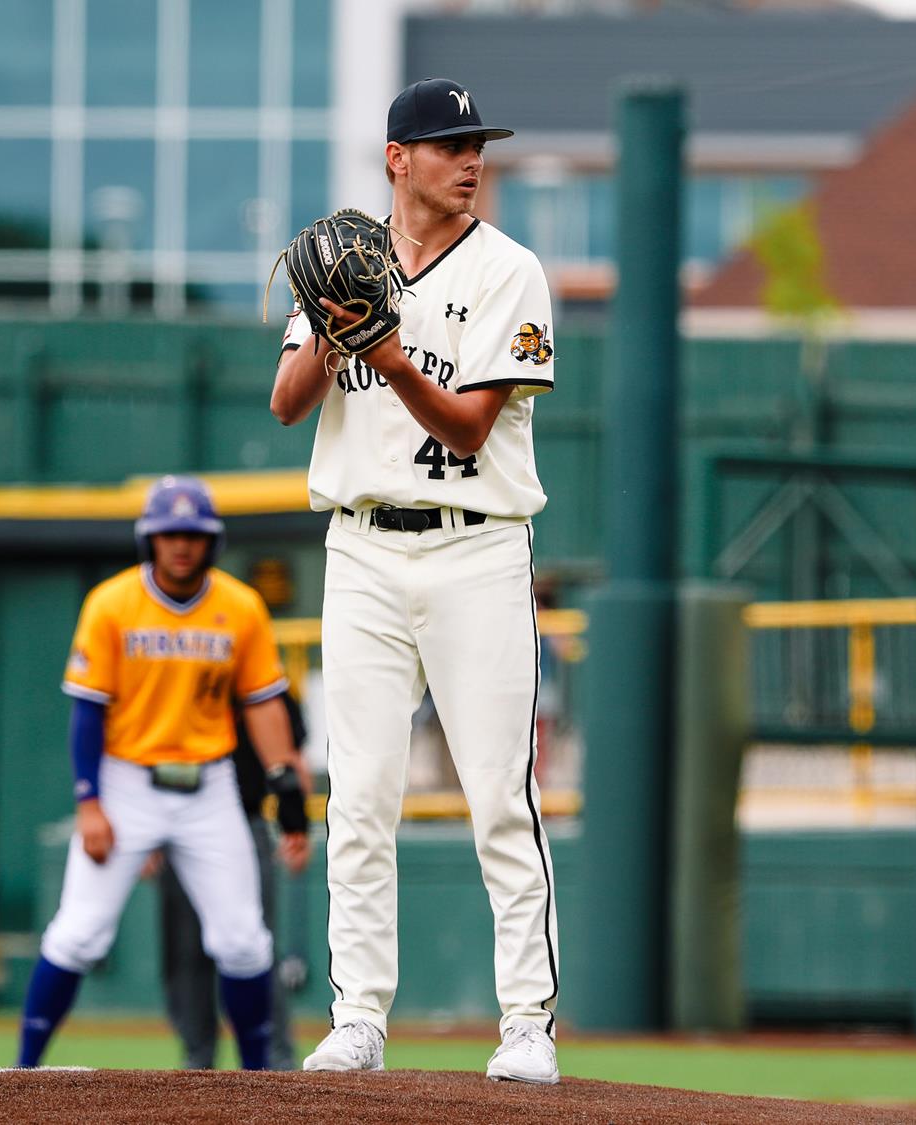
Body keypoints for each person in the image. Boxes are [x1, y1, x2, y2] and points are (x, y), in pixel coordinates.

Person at [268, 77, 562, 1084]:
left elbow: (469, 427)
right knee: (358, 796)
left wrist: (383, 350)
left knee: (497, 798)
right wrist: (327, 323)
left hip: (476, 548)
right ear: (398, 159)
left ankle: (525, 1023)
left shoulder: (510, 271)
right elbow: (284, 404)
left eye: (476, 144)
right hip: (359, 547)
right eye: (448, 145)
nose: (470, 160)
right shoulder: (344, 258)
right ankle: (358, 1018)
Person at [16, 475, 312, 1071]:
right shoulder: (112, 603)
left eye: (193, 535)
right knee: (78, 934)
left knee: (243, 941)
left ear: (212, 541)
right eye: (168, 534)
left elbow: (263, 704)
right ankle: (22, 1073)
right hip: (128, 781)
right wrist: (89, 801)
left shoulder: (240, 606)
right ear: (149, 539)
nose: (181, 545)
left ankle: (258, 1085)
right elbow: (87, 712)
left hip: (210, 784)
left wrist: (289, 792)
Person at [156, 689, 309, 1070]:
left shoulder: (266, 685)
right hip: (181, 821)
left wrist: (297, 825)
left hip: (247, 820)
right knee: (187, 949)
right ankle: (197, 1058)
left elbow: (291, 758)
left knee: (255, 944)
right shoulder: (179, 671)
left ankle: (275, 1060)